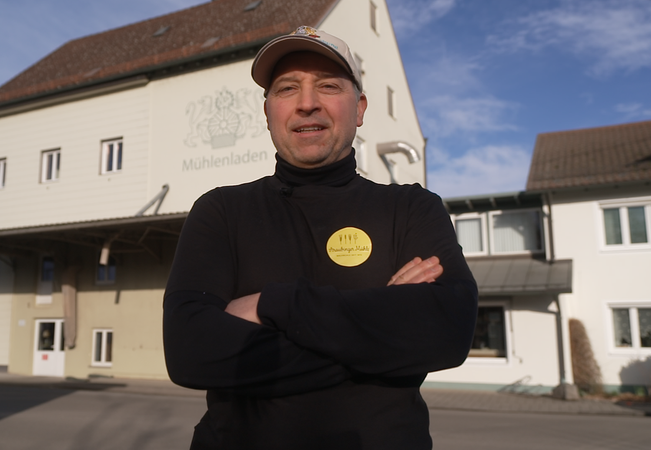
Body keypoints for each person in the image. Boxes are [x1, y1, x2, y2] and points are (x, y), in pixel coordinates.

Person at [163, 26, 478, 450]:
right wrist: (380, 339)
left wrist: (274, 304)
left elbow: (448, 331)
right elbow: (190, 351)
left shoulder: (411, 208)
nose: (307, 103)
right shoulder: (221, 211)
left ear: (360, 108)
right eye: (287, 88)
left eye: (328, 86)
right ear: (268, 111)